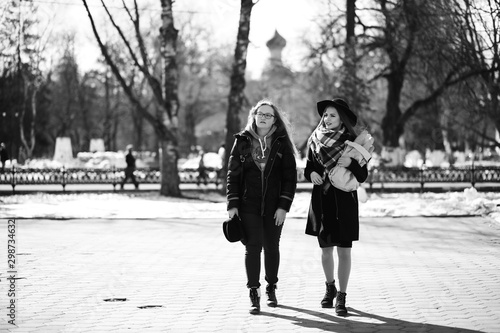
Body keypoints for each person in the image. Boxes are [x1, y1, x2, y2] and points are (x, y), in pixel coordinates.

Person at [226, 99, 298, 314]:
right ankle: (253, 291)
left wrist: (283, 206)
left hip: (275, 206)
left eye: (269, 114)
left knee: (272, 247)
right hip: (248, 205)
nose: (264, 117)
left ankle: (271, 287)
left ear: (275, 119)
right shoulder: (242, 141)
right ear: (254, 116)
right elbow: (233, 175)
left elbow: (289, 177)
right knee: (252, 247)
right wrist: (233, 204)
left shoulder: (281, 142)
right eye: (261, 113)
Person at [304, 98, 369, 315]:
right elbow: (308, 168)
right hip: (323, 202)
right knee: (325, 251)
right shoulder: (315, 139)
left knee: (345, 250)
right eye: (325, 115)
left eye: (333, 115)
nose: (327, 118)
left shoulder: (353, 141)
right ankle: (329, 287)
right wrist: (311, 173)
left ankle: (342, 295)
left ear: (342, 119)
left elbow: (363, 175)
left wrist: (350, 163)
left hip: (345, 203)